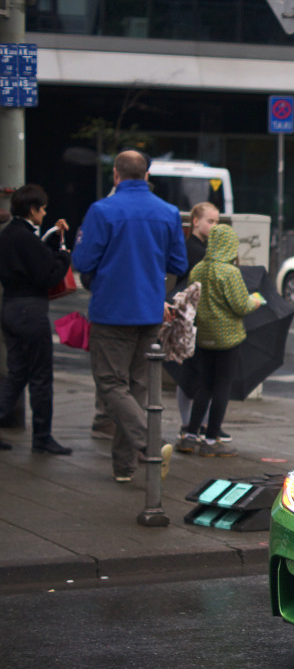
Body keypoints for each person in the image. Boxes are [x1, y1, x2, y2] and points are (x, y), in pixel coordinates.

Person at [72, 150, 187, 484]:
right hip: (149, 311)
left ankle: (150, 444)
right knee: (136, 386)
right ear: (147, 175)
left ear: (116, 176)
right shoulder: (167, 212)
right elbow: (178, 265)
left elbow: (83, 260)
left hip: (112, 311)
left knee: (110, 383)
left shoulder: (102, 210)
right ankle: (124, 467)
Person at [0, 185, 74, 454]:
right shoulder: (25, 238)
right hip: (31, 311)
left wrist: (52, 240)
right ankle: (42, 437)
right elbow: (47, 274)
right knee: (41, 376)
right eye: (42, 209)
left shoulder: (8, 235)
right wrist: (64, 255)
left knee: (16, 374)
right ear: (32, 209)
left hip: (10, 307)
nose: (44, 213)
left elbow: (34, 261)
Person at [181, 223, 262, 457]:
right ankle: (212, 438)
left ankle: (189, 435)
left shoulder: (198, 269)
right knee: (221, 387)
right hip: (228, 338)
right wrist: (255, 301)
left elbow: (191, 300)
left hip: (204, 336)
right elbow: (240, 306)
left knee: (203, 384)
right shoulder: (230, 272)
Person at [173, 202, 219, 454]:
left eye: (217, 221)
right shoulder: (194, 250)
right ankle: (189, 423)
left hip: (196, 318)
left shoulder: (202, 248)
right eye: (210, 221)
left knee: (196, 373)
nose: (214, 226)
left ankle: (196, 422)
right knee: (191, 373)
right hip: (192, 319)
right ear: (196, 222)